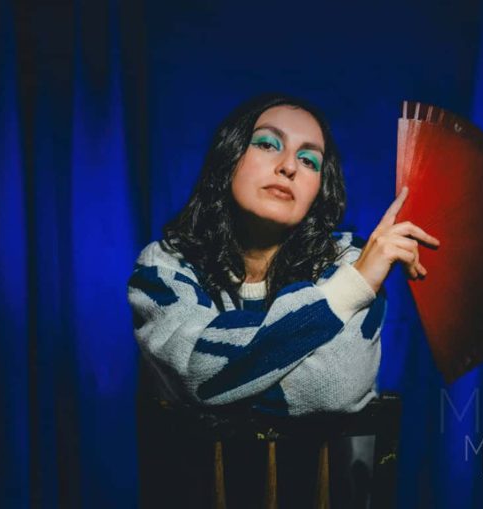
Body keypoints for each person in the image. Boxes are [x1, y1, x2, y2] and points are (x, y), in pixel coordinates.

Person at [127, 93, 438, 507]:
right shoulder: (164, 266)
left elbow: (335, 389)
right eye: (267, 143)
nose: (289, 166)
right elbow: (198, 371)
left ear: (319, 188)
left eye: (309, 161)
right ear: (229, 158)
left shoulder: (351, 263)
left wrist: (226, 385)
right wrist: (347, 293)